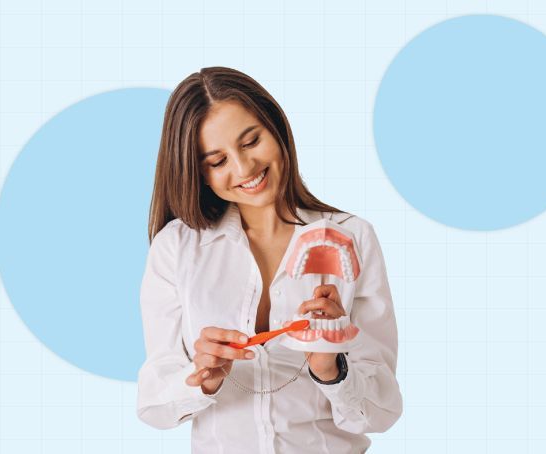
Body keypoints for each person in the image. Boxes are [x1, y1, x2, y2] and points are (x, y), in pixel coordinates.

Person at [136, 66, 402, 453]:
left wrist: (331, 369)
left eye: (251, 141)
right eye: (217, 161)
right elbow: (153, 404)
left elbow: (382, 411)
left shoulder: (351, 237)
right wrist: (201, 377)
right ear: (199, 173)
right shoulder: (177, 249)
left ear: (276, 127)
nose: (244, 169)